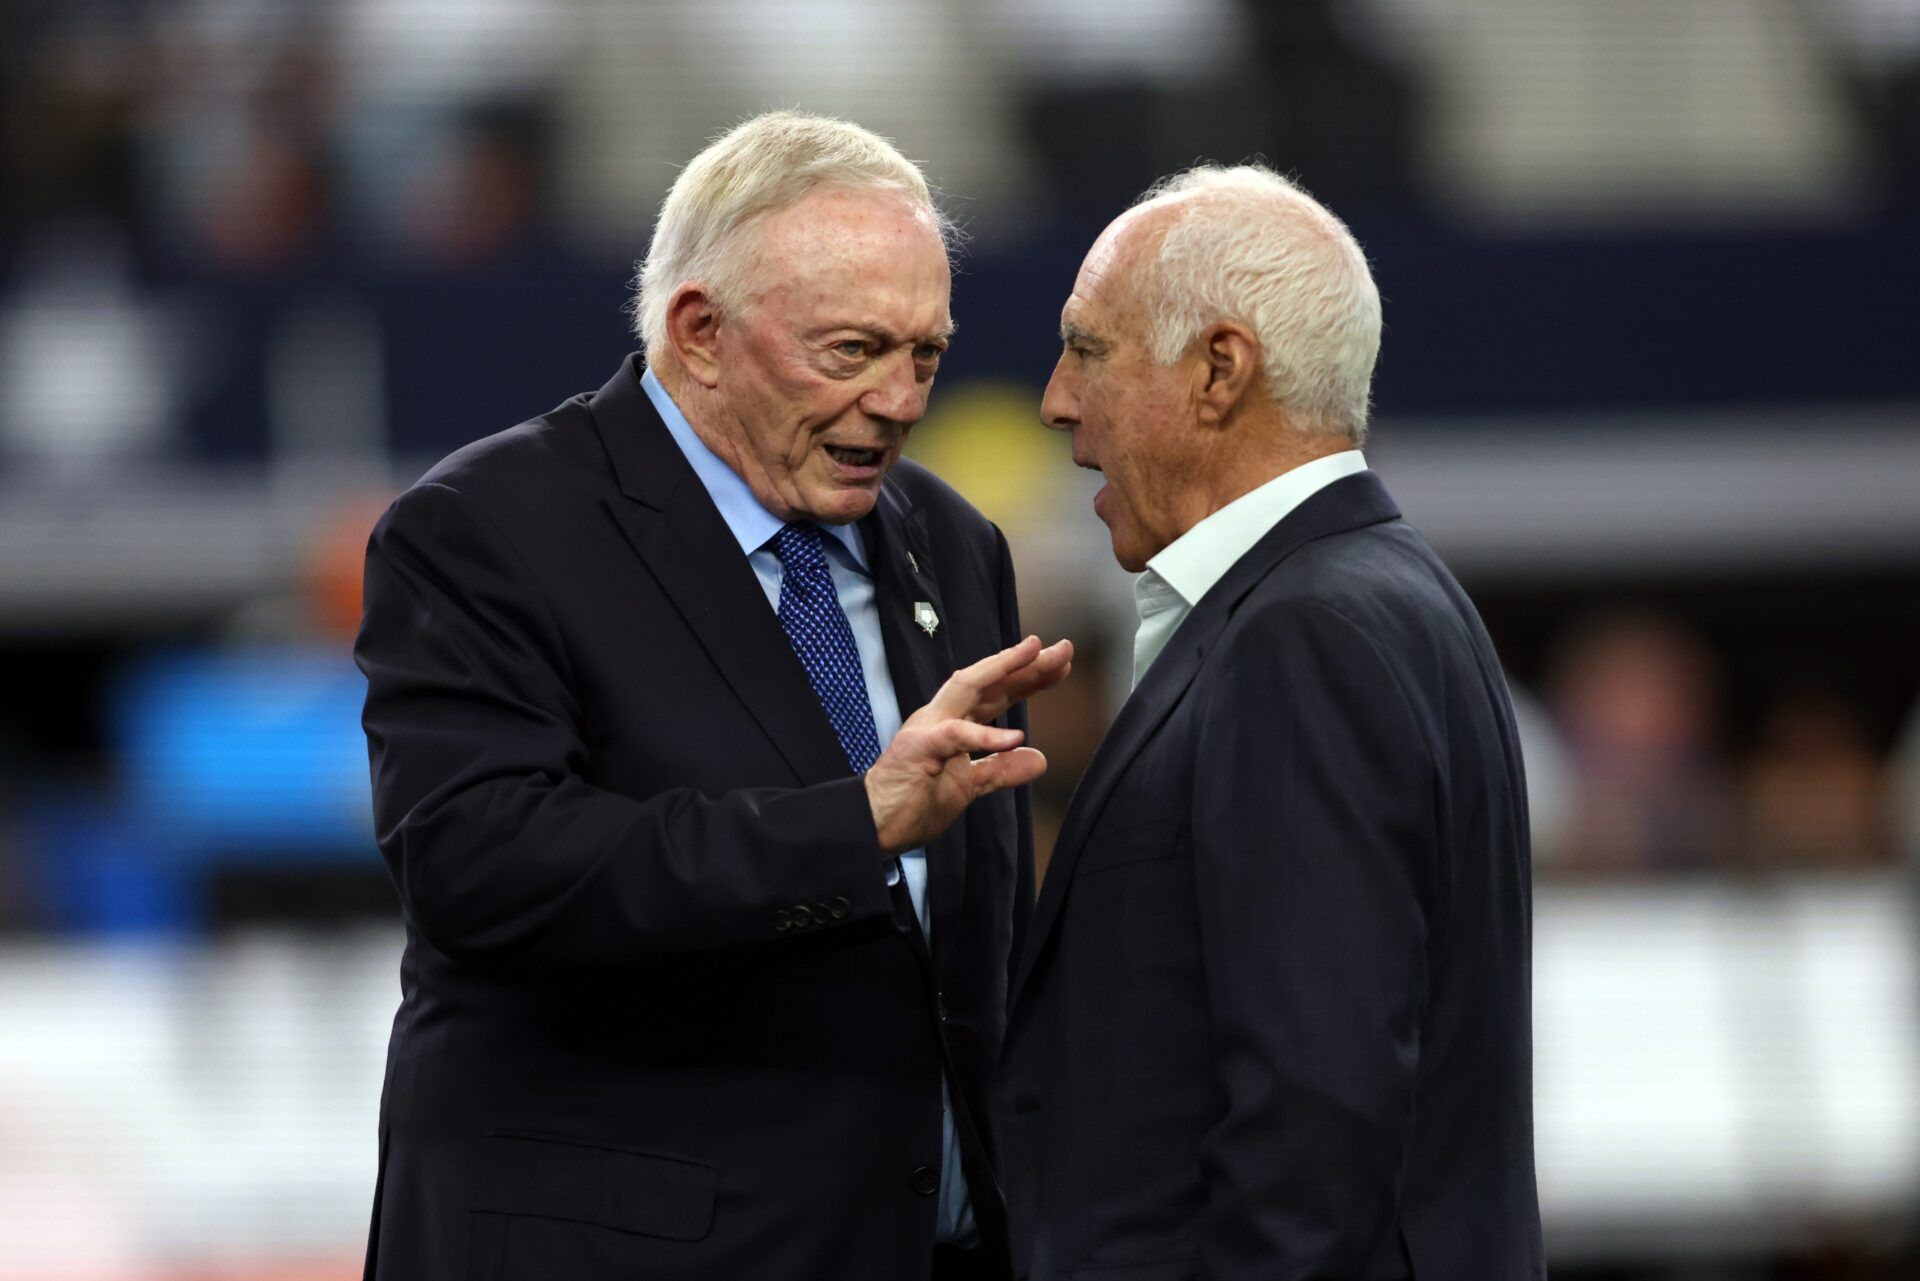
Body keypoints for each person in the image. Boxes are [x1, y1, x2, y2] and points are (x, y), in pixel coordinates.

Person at [355, 112, 1071, 1281]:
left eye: (924, 355)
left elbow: (969, 955)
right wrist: (856, 824)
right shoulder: (490, 530)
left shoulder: (950, 539)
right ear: (700, 334)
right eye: (852, 351)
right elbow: (480, 870)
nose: (898, 400)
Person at [996, 166, 1543, 1281]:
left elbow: (1318, 1114)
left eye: (1088, 351)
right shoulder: (1377, 595)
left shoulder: (1307, 635)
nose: (1056, 397)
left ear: (1218, 370)